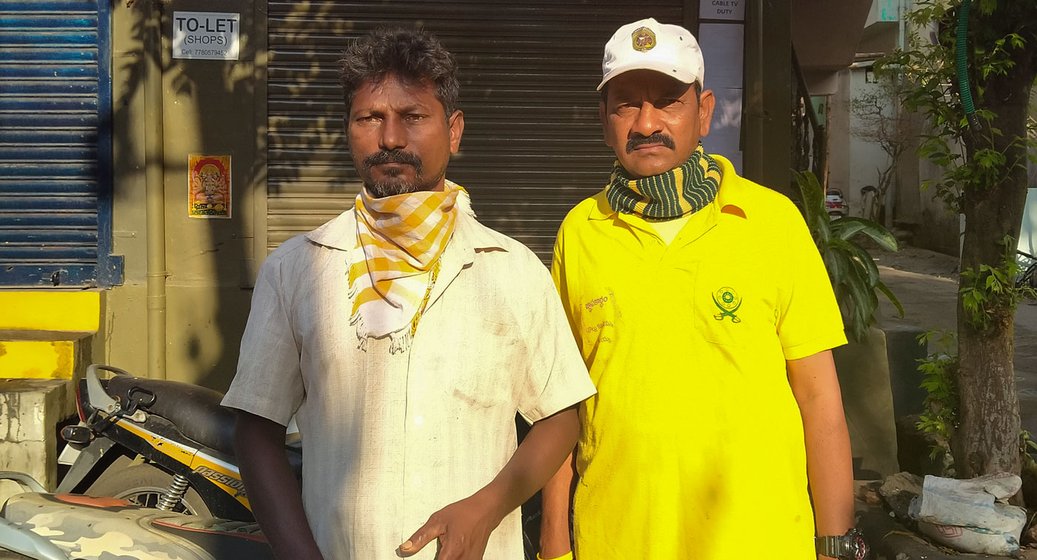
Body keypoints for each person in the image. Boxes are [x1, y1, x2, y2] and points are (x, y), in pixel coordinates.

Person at [222, 27, 595, 560]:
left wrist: (485, 510)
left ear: (455, 130)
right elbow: (257, 430)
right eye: (369, 118)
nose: (390, 137)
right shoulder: (297, 269)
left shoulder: (512, 270)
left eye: (414, 116)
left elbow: (560, 416)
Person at [539, 18, 861, 560]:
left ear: (704, 112)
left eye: (668, 100)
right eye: (625, 104)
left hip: (758, 542)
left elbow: (819, 399)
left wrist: (834, 543)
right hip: (618, 540)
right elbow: (561, 403)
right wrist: (554, 543)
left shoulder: (771, 222)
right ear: (604, 120)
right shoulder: (581, 231)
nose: (646, 123)